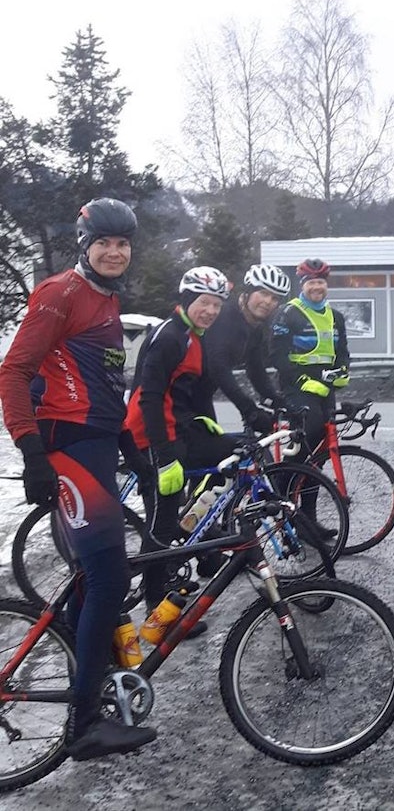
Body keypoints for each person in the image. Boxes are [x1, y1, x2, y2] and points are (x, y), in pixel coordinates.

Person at [0, 197, 157, 759]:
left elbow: (102, 386)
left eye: (122, 244)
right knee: (110, 580)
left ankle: (80, 671)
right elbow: (13, 371)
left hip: (96, 446)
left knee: (94, 581)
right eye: (104, 243)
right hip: (65, 449)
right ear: (84, 244)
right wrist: (31, 451)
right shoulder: (60, 292)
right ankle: (84, 724)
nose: (114, 252)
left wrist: (128, 445)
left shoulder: (108, 299)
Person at [124, 267, 237, 615]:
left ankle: (204, 544)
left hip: (174, 430)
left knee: (231, 456)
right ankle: (155, 602)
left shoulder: (193, 334)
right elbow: (150, 398)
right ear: (187, 301)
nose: (211, 311)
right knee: (161, 521)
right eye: (204, 303)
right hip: (149, 436)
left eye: (217, 305)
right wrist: (164, 454)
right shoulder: (171, 336)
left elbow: (194, 394)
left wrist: (210, 430)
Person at [270, 258, 350, 455]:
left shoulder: (336, 317)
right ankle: (286, 480)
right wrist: (299, 379)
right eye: (311, 282)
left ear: (326, 285)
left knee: (325, 437)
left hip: (325, 385)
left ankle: (309, 486)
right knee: (309, 431)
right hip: (296, 384)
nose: (316, 287)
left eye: (320, 282)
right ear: (302, 285)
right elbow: (276, 354)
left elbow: (342, 351)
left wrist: (344, 370)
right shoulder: (288, 312)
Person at [202, 264, 291, 436]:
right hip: (176, 397)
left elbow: (256, 370)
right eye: (263, 293)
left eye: (274, 298)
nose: (268, 302)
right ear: (248, 291)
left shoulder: (254, 326)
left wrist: (280, 402)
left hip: (201, 395)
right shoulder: (225, 317)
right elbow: (218, 368)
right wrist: (248, 409)